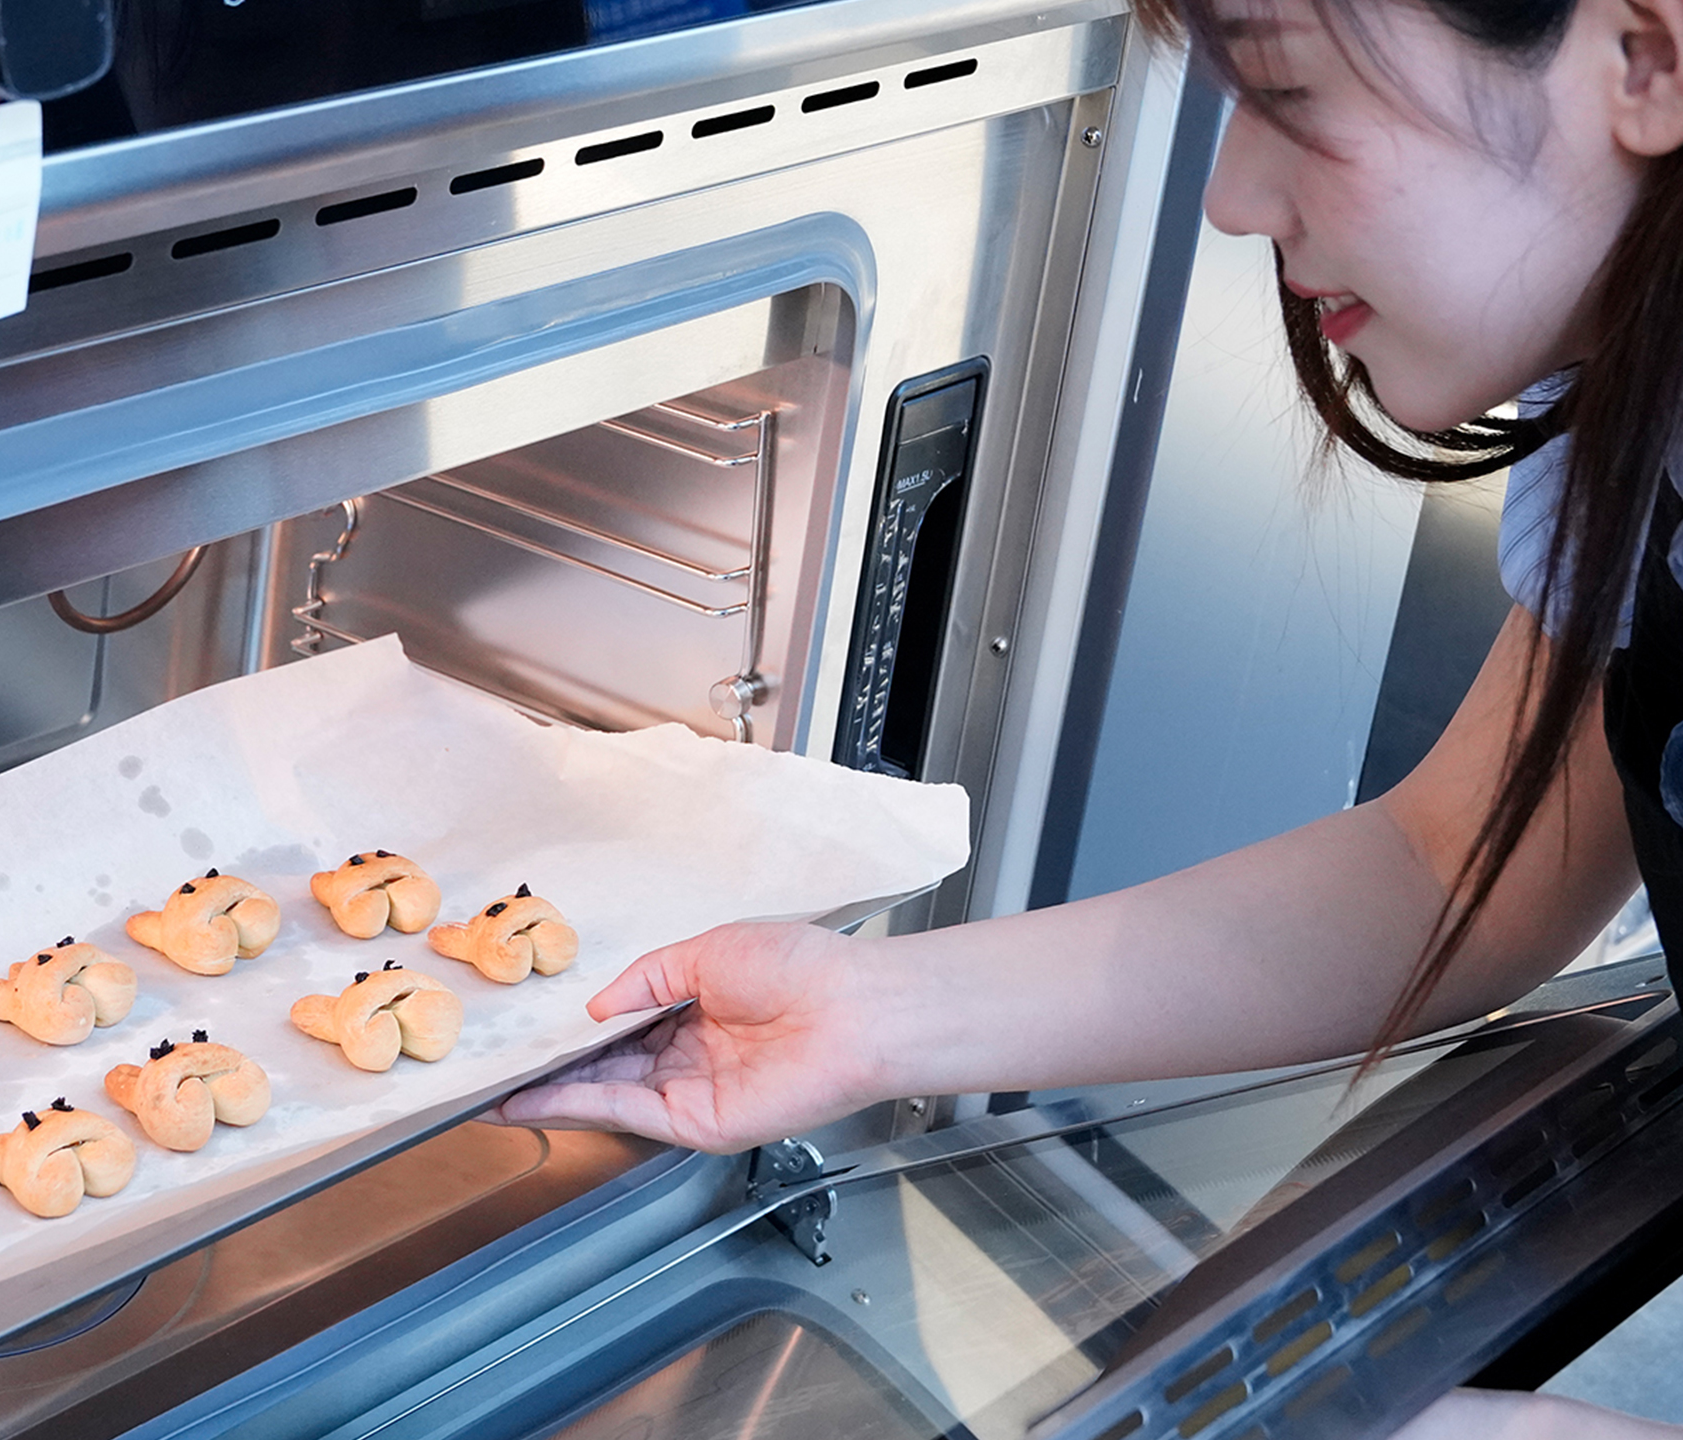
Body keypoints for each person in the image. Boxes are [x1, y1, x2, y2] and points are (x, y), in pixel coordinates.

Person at [497, 0, 1683, 1433]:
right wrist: (869, 1013)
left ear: (1646, 56)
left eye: (1290, 93)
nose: (1231, 198)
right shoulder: (1637, 441)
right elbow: (1453, 868)